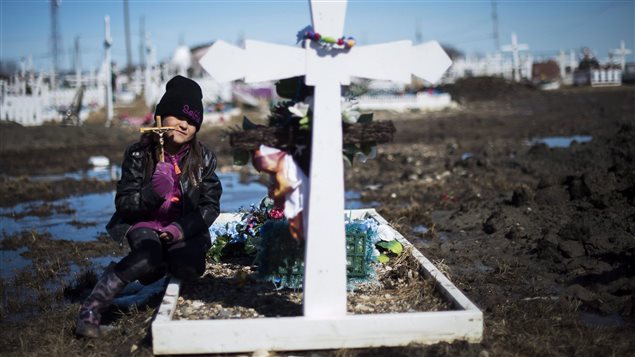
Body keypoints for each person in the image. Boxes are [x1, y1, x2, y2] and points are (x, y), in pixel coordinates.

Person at [75, 75, 223, 338]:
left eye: (192, 121)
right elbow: (125, 205)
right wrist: (153, 192)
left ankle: (156, 269)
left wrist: (181, 229)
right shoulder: (138, 154)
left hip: (180, 225)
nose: (184, 124)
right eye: (178, 116)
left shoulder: (204, 158)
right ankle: (91, 310)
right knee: (147, 258)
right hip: (144, 222)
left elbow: (209, 206)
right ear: (161, 117)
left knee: (189, 266)